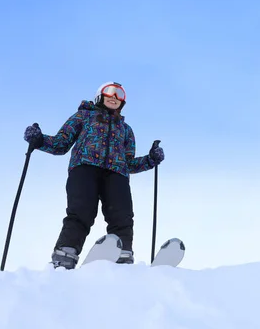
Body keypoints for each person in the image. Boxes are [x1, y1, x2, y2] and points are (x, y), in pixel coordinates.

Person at [22, 81, 165, 269]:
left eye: (120, 94)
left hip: (117, 173)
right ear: (100, 95)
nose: (115, 97)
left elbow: (129, 163)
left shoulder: (126, 129)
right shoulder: (83, 116)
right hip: (84, 167)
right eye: (110, 92)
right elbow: (60, 143)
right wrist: (38, 140)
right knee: (81, 211)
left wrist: (150, 159)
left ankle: (122, 253)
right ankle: (66, 252)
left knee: (122, 215)